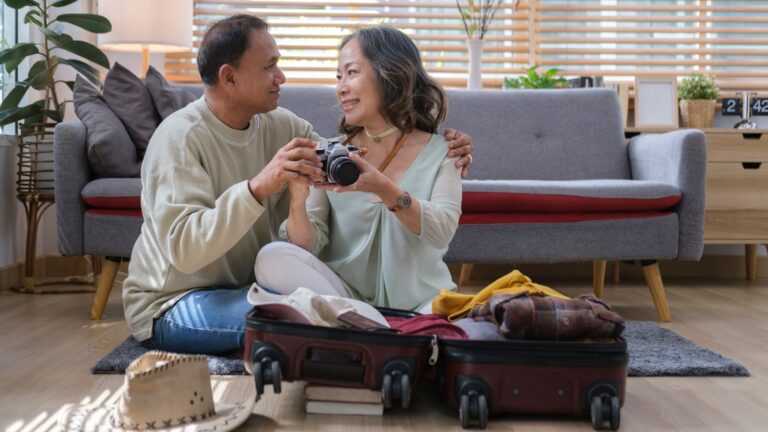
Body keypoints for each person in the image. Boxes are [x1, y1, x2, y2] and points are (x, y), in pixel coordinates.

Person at [122, 15, 474, 355]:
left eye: (350, 73)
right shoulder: (178, 137)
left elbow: (342, 158)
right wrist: (260, 186)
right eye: (269, 66)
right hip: (177, 299)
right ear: (229, 77)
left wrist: (446, 149)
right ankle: (385, 334)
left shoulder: (283, 126)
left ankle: (371, 330)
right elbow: (185, 251)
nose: (282, 77)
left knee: (307, 313)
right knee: (295, 321)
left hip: (249, 288)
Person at [253, 26, 462, 314]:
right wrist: (298, 202)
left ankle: (361, 328)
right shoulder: (329, 151)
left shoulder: (444, 152)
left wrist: (383, 187)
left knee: (453, 317)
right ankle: (370, 324)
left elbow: (441, 232)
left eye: (351, 73)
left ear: (390, 73)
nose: (340, 88)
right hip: (345, 295)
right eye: (339, 77)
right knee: (271, 257)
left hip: (422, 302)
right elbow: (307, 247)